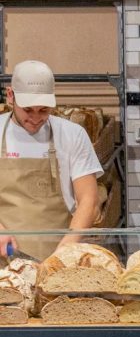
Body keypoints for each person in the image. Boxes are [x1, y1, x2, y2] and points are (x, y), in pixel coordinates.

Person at [0, 60, 103, 259]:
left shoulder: (73, 135)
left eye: (44, 110)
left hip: (57, 256)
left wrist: (68, 245)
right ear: (11, 96)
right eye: (28, 110)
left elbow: (89, 200)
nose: (36, 118)